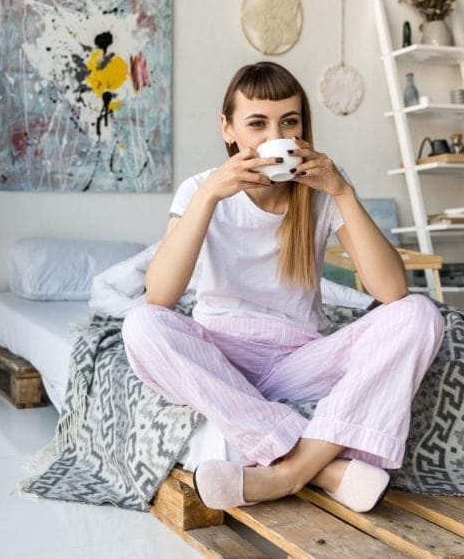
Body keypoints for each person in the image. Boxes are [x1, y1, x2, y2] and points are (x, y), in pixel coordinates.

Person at [121, 62, 444, 512]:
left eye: (289, 122)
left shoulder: (321, 190)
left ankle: (287, 474)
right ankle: (326, 468)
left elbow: (391, 290)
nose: (277, 135)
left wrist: (343, 193)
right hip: (220, 357)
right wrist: (211, 195)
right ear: (228, 129)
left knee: (419, 315)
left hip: (299, 360)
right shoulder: (199, 189)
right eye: (257, 123)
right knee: (141, 325)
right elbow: (160, 296)